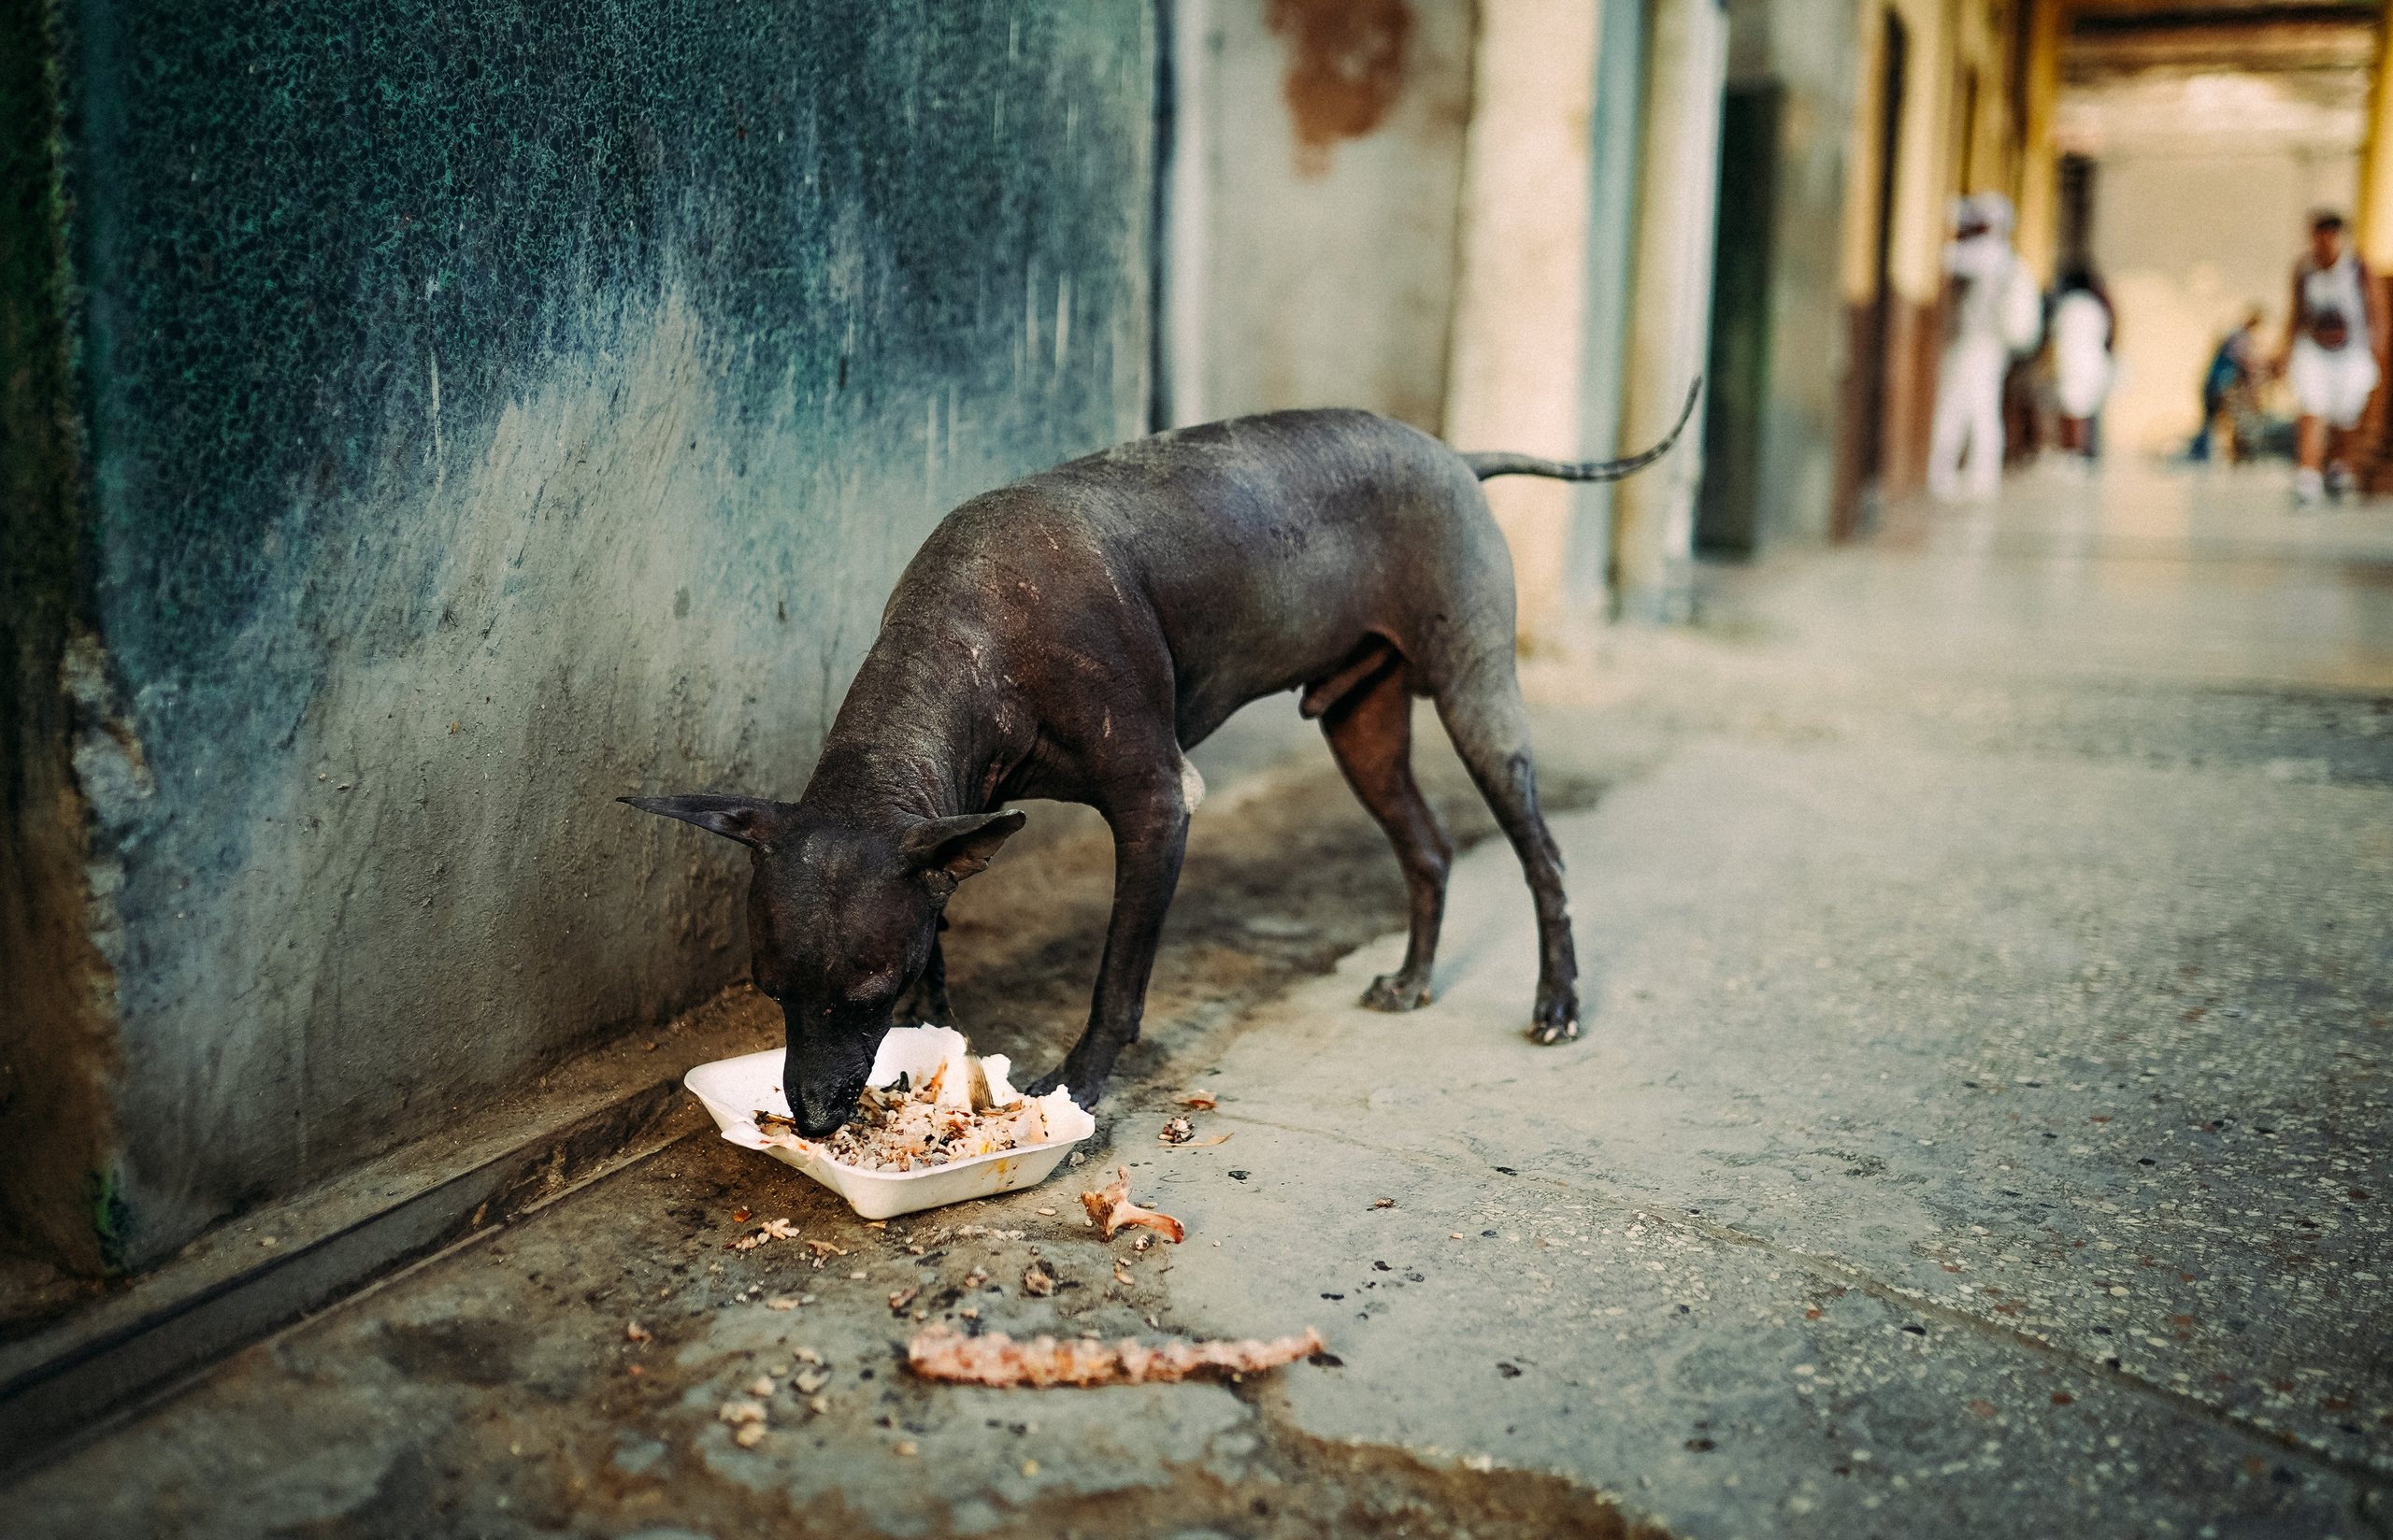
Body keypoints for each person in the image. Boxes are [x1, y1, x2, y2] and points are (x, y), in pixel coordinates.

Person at [1929, 192, 2036, 502]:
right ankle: (1982, 476)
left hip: (1975, 345)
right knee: (1983, 409)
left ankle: (1943, 473)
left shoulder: (1987, 254)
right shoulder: (2007, 258)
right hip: (1991, 347)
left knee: (1954, 408)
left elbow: (1943, 256)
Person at [2276, 211, 2384, 503]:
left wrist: (2378, 351)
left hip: (2352, 351)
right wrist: (2285, 351)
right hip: (2313, 348)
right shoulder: (2304, 268)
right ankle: (2307, 476)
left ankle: (2338, 467)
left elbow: (2376, 311)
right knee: (2312, 407)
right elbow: (2295, 312)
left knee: (2345, 416)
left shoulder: (2357, 268)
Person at [2049, 264, 2115, 465]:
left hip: (2074, 363)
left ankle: (2075, 456)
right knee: (2086, 412)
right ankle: (2086, 454)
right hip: (2094, 363)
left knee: (2073, 411)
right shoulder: (2097, 306)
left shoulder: (2071, 305)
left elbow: (2059, 335)